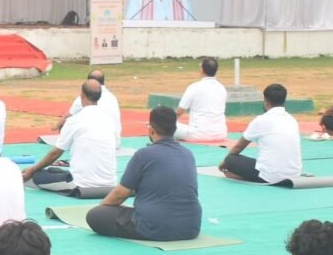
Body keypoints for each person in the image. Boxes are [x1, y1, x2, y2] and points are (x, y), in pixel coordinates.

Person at [86, 106, 201, 241]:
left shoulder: (144, 154)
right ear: (174, 129)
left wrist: (103, 206)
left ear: (152, 130)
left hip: (153, 227)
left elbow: (120, 194)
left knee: (96, 215)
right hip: (190, 228)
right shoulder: (188, 154)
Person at [23, 80, 118, 192]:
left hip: (80, 184)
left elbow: (55, 154)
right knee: (54, 171)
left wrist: (32, 170)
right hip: (110, 183)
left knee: (37, 176)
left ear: (82, 95)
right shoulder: (109, 120)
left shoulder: (74, 120)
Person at [220, 84, 302, 184]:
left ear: (266, 102)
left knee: (231, 159)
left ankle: (241, 176)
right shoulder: (292, 120)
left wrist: (224, 163)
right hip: (294, 175)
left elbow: (238, 147)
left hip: (269, 177)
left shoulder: (261, 120)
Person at [54, 69, 122, 147]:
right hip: (114, 142)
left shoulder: (86, 96)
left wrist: (56, 126)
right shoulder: (112, 97)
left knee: (69, 122)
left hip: (96, 142)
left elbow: (67, 116)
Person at [175, 57, 228, 142]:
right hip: (221, 134)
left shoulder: (194, 87)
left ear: (202, 70)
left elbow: (179, 111)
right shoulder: (222, 88)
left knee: (163, 126)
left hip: (198, 135)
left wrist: (169, 124)